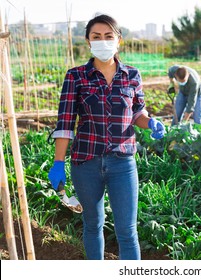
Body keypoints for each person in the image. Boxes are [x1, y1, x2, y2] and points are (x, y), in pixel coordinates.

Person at [48, 14, 166, 260]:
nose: (103, 41)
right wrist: (58, 163)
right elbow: (65, 122)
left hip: (122, 163)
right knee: (93, 225)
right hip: (86, 163)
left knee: (127, 231)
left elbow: (137, 113)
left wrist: (150, 122)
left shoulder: (131, 75)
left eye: (108, 36)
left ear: (118, 40)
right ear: (88, 42)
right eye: (96, 37)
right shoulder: (76, 76)